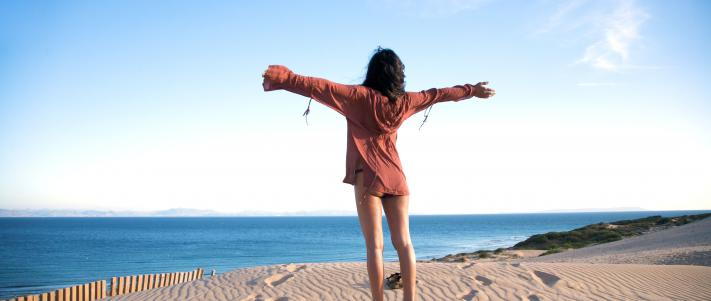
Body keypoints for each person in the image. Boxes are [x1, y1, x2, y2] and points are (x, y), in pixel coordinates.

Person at [261, 47, 495, 301]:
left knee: (375, 246)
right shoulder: (406, 101)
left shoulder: (357, 96)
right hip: (396, 177)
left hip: (368, 177)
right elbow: (437, 94)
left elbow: (318, 86)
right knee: (404, 243)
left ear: (372, 72)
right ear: (397, 75)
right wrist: (472, 90)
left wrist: (283, 77)